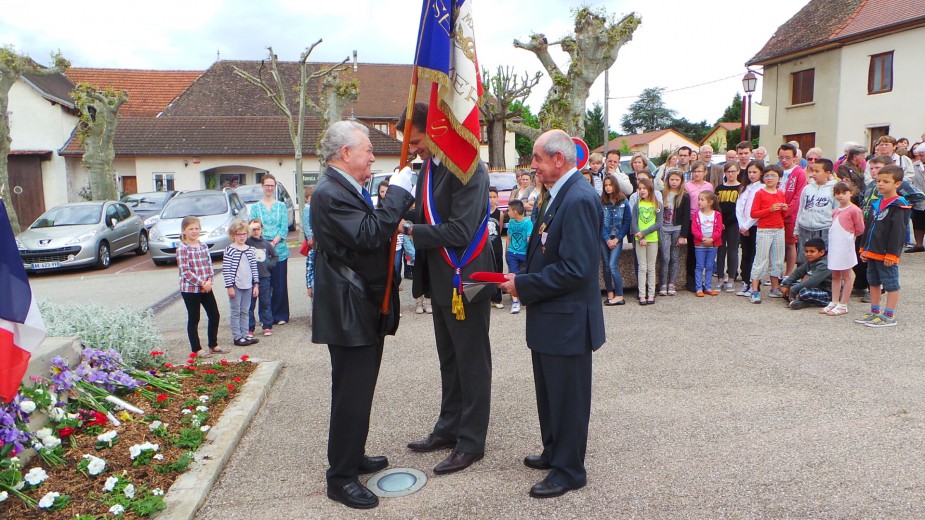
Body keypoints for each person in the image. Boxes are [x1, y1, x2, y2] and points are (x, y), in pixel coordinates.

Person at [311, 120, 415, 509]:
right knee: (351, 394)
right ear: (345, 154)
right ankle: (340, 477)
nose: (373, 155)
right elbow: (371, 234)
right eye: (368, 149)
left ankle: (352, 455)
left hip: (360, 304)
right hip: (347, 309)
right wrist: (399, 193)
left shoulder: (345, 187)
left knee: (360, 390)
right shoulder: (329, 193)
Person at [499, 129, 605, 499]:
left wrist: (523, 286)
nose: (534, 166)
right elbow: (545, 251)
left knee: (568, 398)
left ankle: (570, 470)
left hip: (568, 322)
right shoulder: (556, 195)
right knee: (550, 395)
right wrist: (522, 277)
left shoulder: (577, 199)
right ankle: (554, 452)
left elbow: (577, 270)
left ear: (558, 159)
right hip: (551, 318)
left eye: (539, 159)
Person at [400, 102, 494, 476]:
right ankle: (449, 427)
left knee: (472, 362)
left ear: (436, 131)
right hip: (440, 281)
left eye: (418, 140)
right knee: (449, 359)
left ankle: (471, 442)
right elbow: (425, 215)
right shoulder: (429, 169)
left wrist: (410, 230)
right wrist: (394, 212)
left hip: (465, 278)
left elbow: (459, 230)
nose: (414, 149)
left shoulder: (468, 168)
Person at [855, 164, 910, 328]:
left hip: (886, 254)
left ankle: (889, 315)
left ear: (897, 184)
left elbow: (898, 232)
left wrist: (893, 254)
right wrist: (864, 248)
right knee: (873, 281)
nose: (880, 184)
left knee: (891, 284)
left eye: (885, 181)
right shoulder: (876, 203)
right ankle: (875, 311)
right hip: (872, 251)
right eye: (878, 181)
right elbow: (869, 226)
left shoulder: (899, 205)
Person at [177, 216, 223, 356]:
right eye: (191, 229)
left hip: (206, 287)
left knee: (214, 315)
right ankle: (196, 348)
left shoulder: (203, 246)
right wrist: (201, 283)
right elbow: (185, 271)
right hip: (191, 289)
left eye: (197, 228)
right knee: (194, 318)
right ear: (184, 231)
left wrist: (209, 281)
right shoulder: (182, 248)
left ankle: (213, 344)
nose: (194, 231)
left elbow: (209, 265)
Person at [248, 174, 290, 326]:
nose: (270, 188)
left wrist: (273, 242)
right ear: (262, 186)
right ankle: (266, 317)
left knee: (279, 285)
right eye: (267, 185)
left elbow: (284, 227)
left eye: (272, 185)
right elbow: (252, 227)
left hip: (279, 250)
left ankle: (281, 315)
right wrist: (264, 243)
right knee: (264, 285)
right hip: (260, 251)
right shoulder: (255, 207)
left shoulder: (281, 206)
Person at [822, 182, 864, 316]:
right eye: (837, 193)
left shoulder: (854, 210)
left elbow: (860, 228)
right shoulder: (835, 211)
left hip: (845, 245)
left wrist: (850, 237)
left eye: (844, 193)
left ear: (850, 193)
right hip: (835, 245)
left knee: (846, 275)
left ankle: (843, 303)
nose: (840, 196)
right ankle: (834, 301)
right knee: (835, 275)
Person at [749, 165, 788, 304]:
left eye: (773, 176)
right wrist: (769, 209)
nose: (769, 178)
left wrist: (784, 208)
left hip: (779, 229)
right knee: (760, 260)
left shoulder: (780, 193)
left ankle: (775, 288)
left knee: (777, 260)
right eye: (767, 176)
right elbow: (753, 213)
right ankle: (754, 290)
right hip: (764, 229)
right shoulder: (760, 193)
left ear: (779, 178)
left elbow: (784, 214)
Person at [222, 219, 259, 347]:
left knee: (245, 310)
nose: (241, 237)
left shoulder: (250, 250)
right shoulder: (230, 250)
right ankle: (237, 336)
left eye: (244, 234)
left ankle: (245, 334)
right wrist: (229, 286)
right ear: (233, 235)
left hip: (248, 284)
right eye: (238, 234)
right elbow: (226, 269)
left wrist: (256, 284)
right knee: (235, 311)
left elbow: (254, 267)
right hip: (236, 285)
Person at [794, 158, 836, 262]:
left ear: (827, 173)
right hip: (805, 229)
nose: (813, 174)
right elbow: (801, 208)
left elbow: (836, 212)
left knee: (822, 261)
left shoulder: (833, 190)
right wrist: (796, 228)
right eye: (812, 171)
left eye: (817, 171)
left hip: (823, 229)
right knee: (804, 260)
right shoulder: (807, 189)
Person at [735, 160, 765, 296]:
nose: (752, 175)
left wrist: (747, 225)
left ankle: (755, 285)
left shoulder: (762, 188)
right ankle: (746, 281)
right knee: (745, 255)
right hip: (744, 227)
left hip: (755, 226)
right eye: (749, 172)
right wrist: (742, 225)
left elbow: (758, 210)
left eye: (755, 172)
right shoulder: (744, 187)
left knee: (755, 255)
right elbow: (739, 207)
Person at [658, 169, 690, 297]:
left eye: (677, 180)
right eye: (672, 179)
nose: (674, 182)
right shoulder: (661, 194)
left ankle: (672, 283)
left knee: (675, 257)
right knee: (665, 257)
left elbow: (686, 217)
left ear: (681, 181)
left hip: (677, 228)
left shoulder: (685, 196)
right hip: (664, 229)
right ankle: (663, 283)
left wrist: (683, 235)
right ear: (667, 180)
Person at [631, 177, 662, 305]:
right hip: (639, 240)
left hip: (652, 239)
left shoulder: (657, 204)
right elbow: (633, 222)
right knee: (642, 267)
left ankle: (651, 294)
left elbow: (658, 223)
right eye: (640, 188)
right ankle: (642, 294)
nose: (642, 191)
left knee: (651, 267)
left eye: (644, 188)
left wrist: (643, 234)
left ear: (650, 189)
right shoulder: (637, 204)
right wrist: (640, 237)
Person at [601, 174, 631, 305]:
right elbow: (599, 222)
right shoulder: (601, 201)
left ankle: (620, 295)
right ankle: (610, 293)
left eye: (610, 185)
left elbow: (627, 221)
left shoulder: (623, 201)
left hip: (617, 238)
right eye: (605, 185)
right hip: (604, 238)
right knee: (606, 266)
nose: (608, 188)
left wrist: (617, 239)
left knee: (613, 265)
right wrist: (607, 239)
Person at [778, 143, 806, 277]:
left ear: (794, 157)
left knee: (790, 243)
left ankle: (789, 273)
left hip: (790, 213)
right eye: (781, 157)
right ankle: (776, 272)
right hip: (776, 212)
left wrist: (788, 210)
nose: (784, 160)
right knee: (777, 244)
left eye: (787, 157)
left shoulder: (799, 172)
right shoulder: (777, 171)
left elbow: (799, 194)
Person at [780, 238, 832, 310]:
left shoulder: (824, 265)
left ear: (822, 252)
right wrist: (785, 284)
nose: (808, 254)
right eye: (806, 251)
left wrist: (794, 290)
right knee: (789, 286)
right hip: (815, 289)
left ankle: (799, 300)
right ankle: (801, 301)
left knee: (804, 292)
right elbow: (797, 273)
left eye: (812, 251)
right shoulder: (810, 262)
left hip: (828, 294)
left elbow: (812, 281)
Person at [246, 218, 277, 337]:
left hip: (264, 277)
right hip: (250, 279)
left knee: (265, 302)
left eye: (257, 229)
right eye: (252, 229)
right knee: (250, 305)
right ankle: (249, 327)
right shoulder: (247, 242)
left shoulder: (266, 244)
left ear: (261, 229)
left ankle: (267, 325)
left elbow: (275, 256)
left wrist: (269, 265)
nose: (255, 232)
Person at [715, 161, 742, 291]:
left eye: (733, 171)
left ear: (738, 171)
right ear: (725, 173)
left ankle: (731, 277)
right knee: (720, 251)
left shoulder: (741, 188)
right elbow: (716, 206)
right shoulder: (719, 188)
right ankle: (720, 277)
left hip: (735, 223)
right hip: (721, 222)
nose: (731, 174)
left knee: (733, 250)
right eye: (728, 171)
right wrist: (720, 221)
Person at [691, 191, 723, 296]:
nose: (699, 201)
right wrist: (703, 238)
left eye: (702, 199)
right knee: (699, 266)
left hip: (713, 244)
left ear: (710, 202)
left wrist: (712, 239)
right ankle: (699, 288)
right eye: (699, 199)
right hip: (700, 244)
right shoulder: (696, 214)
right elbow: (694, 229)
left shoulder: (717, 215)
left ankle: (708, 287)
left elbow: (719, 229)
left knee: (709, 266)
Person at [506, 199, 532, 314]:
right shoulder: (511, 223)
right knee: (513, 273)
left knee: (526, 274)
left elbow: (528, 239)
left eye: (509, 210)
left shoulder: (528, 223)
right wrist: (507, 252)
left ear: (515, 211)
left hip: (524, 253)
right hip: (512, 252)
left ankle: (527, 296)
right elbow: (508, 237)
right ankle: (515, 301)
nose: (507, 212)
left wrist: (530, 253)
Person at [488, 186, 505, 309]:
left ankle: (497, 298)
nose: (492, 200)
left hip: (496, 245)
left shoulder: (500, 213)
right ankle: (486, 297)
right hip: (485, 246)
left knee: (498, 270)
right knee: (486, 270)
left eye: (494, 197)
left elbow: (499, 230)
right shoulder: (482, 212)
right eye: (489, 197)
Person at [908, 143, 925, 252]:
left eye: (922, 155)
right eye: (918, 155)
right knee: (918, 223)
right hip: (920, 200)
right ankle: (919, 245)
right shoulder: (914, 167)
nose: (919, 158)